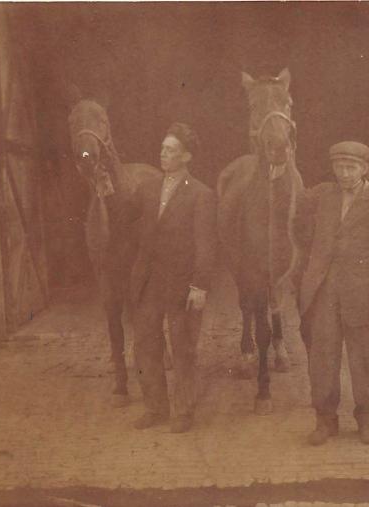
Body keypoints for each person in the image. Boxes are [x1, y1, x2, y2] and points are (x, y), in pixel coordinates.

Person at [296, 141, 369, 445]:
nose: (344, 173)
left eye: (351, 167)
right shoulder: (320, 197)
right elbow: (297, 226)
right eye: (339, 167)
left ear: (365, 169)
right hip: (324, 291)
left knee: (363, 358)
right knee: (323, 358)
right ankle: (325, 420)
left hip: (363, 292)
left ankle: (366, 419)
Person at [129, 122, 216, 433]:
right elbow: (125, 220)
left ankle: (183, 412)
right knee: (145, 346)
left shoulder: (202, 195)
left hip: (182, 286)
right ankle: (155, 408)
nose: (163, 154)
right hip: (149, 282)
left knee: (183, 350)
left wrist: (200, 286)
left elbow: (206, 246)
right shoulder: (147, 189)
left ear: (187, 157)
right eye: (163, 149)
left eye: (170, 151)